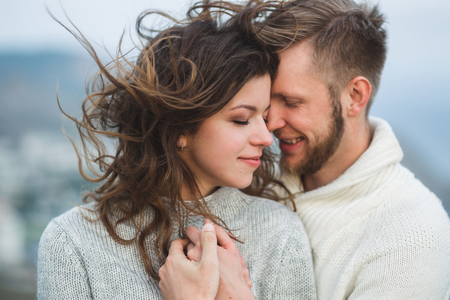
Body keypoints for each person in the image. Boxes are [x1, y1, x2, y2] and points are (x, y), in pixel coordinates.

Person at [161, 0, 450, 299]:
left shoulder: (415, 237)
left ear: (355, 96)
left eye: (292, 102)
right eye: (267, 104)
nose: (270, 123)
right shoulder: (244, 173)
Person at [36, 3, 317, 300]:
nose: (265, 136)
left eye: (265, 116)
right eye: (241, 119)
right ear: (179, 129)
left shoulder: (278, 233)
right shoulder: (72, 242)